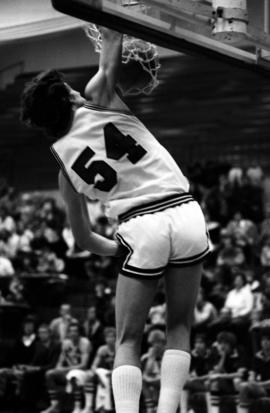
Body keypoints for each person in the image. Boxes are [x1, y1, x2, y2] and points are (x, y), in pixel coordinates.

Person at [21, 27, 210, 413]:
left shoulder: (62, 169)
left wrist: (122, 250)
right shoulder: (99, 97)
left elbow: (85, 239)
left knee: (128, 339)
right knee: (179, 326)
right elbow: (111, 38)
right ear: (69, 96)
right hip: (186, 210)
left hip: (140, 227)